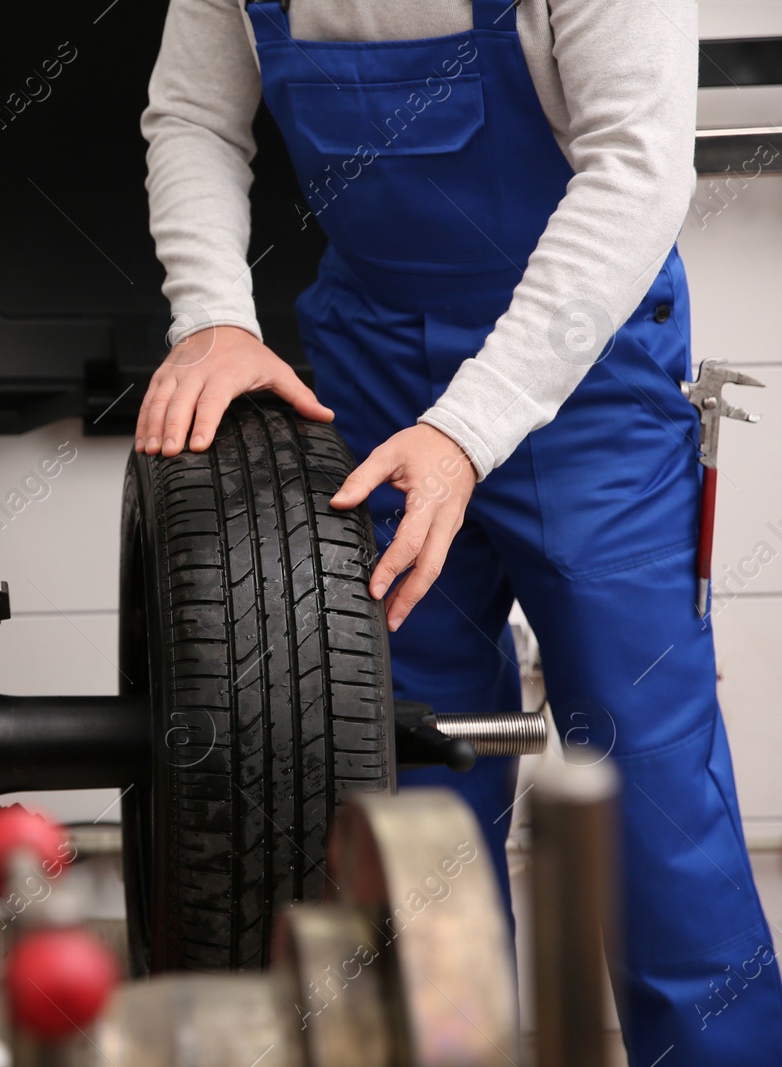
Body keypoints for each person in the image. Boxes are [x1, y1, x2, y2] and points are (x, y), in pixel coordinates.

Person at [138, 0, 780, 1062]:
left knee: (648, 792)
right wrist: (211, 315)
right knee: (406, 781)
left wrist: (466, 427)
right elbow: (194, 117)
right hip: (371, 366)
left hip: (587, 380)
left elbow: (637, 170)